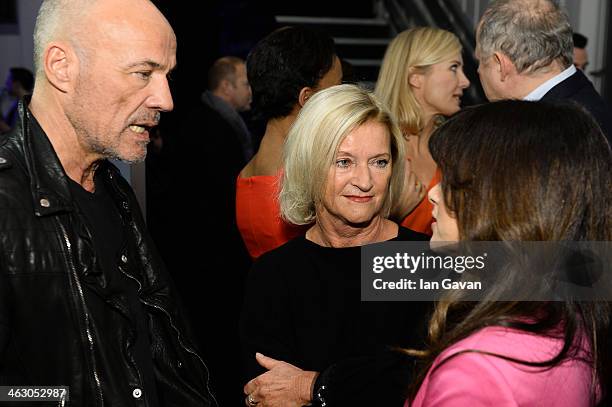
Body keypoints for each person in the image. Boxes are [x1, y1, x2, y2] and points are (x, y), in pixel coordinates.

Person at [0, 0, 216, 406]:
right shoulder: (6, 203)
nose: (165, 99)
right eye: (143, 73)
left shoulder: (112, 187)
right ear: (62, 66)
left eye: (166, 75)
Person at [406, 100, 611, 406]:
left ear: (499, 203)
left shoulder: (477, 372)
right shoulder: (571, 318)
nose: (432, 194)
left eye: (449, 182)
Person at [241, 84, 430, 407]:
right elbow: (263, 391)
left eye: (379, 162)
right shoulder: (275, 274)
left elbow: (422, 382)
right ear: (309, 165)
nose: (365, 181)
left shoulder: (420, 261)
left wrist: (312, 386)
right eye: (344, 162)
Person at [236, 26, 343, 260]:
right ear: (307, 99)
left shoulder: (249, 176)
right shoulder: (298, 190)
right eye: (336, 91)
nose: (344, 102)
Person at [375, 27, 470, 236]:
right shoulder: (378, 145)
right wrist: (393, 214)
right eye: (454, 68)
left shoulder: (454, 148)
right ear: (415, 77)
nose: (465, 82)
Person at [475, 0, 611, 142]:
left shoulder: (550, 134)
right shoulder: (583, 101)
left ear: (501, 65)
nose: (478, 70)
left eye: (480, 60)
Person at [0, 67, 34, 133]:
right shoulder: (17, 104)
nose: (6, 84)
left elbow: (22, 135)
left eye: (8, 81)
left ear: (17, 84)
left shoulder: (29, 105)